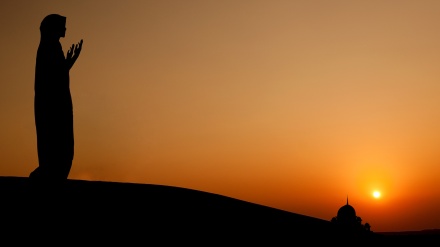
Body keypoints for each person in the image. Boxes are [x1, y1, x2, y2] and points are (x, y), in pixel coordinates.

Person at [29, 14, 83, 183]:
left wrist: (68, 63)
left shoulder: (52, 47)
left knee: (63, 148)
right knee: (60, 147)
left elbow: (56, 75)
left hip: (58, 105)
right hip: (54, 109)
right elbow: (51, 80)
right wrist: (67, 64)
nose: (65, 29)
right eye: (62, 25)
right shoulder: (48, 47)